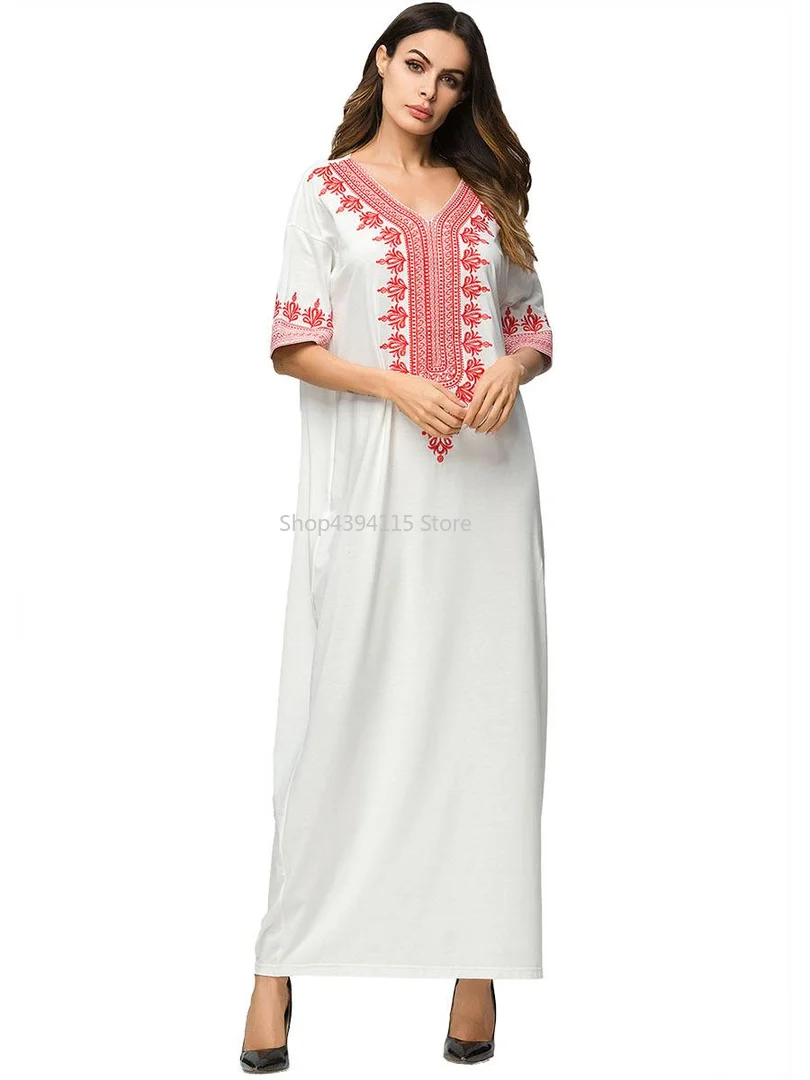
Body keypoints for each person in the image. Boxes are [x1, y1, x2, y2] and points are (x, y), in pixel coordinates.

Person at [241, 3, 554, 1070]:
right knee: (340, 706)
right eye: (416, 64)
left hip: (489, 486)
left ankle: (478, 967)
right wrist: (394, 385)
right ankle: (277, 963)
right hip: (375, 479)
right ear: (381, 64)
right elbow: (291, 344)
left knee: (487, 715)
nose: (430, 89)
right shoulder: (326, 193)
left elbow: (532, 323)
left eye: (453, 77)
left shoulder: (485, 195)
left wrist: (512, 364)